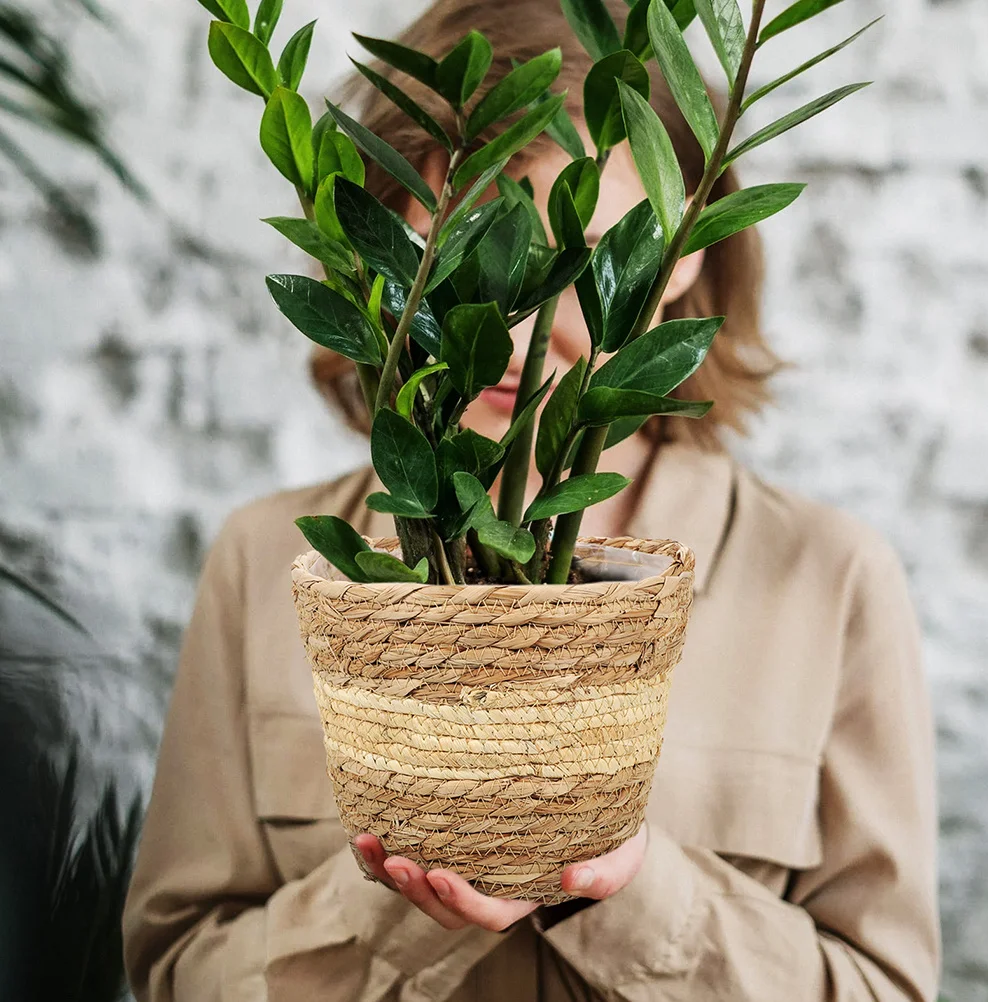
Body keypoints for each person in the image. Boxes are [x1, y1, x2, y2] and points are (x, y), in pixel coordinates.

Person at [122, 0, 941, 999]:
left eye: (579, 257)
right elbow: (178, 967)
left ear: (685, 249)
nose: (510, 334)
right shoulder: (267, 563)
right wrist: (406, 886)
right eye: (455, 259)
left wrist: (620, 889)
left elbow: (887, 984)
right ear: (375, 263)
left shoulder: (827, 579)